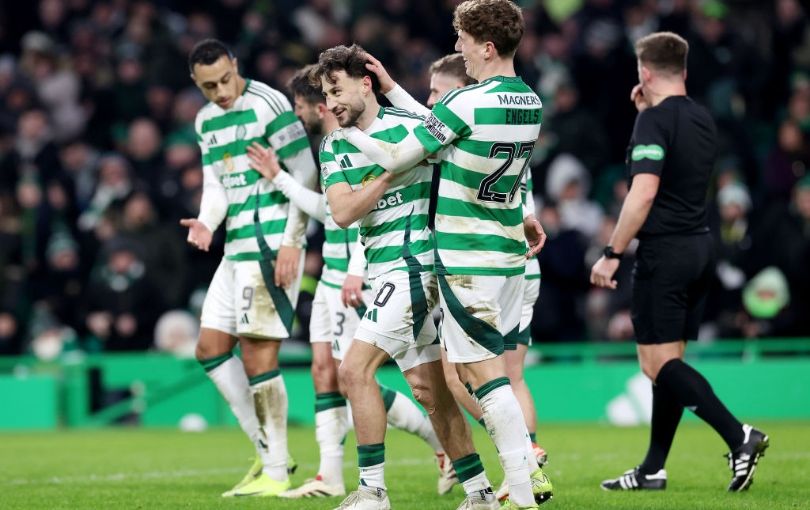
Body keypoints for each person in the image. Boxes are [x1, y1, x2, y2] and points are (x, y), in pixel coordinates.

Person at [343, 1, 550, 508]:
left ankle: (522, 492)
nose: (457, 48)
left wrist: (345, 129)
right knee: (481, 375)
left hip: (467, 257)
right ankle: (513, 487)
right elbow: (451, 137)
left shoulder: (467, 103)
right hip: (507, 254)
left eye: (462, 40)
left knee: (484, 379)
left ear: (487, 46)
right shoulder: (530, 102)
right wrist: (392, 89)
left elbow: (400, 152)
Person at [247, 65, 456, 499]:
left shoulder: (370, 135)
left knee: (360, 373)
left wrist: (279, 180)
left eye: (304, 105)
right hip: (335, 273)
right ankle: (331, 474)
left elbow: (337, 211)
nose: (299, 114)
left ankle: (450, 454)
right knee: (326, 371)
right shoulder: (329, 146)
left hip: (364, 273)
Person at [313, 44, 498, 510]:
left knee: (353, 371)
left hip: (417, 264)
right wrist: (391, 168)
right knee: (430, 393)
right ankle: (479, 493)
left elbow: (469, 165)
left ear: (365, 83)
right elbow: (341, 212)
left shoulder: (413, 127)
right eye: (325, 93)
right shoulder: (334, 144)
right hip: (382, 270)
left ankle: (373, 491)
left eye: (336, 90)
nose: (331, 102)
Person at [590, 31, 769, 493]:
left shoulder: (653, 123)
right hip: (699, 248)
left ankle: (739, 435)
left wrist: (611, 253)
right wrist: (646, 115)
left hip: (665, 252)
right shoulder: (702, 117)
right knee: (670, 362)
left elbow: (644, 192)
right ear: (683, 71)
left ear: (644, 73)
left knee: (655, 365)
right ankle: (652, 468)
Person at [182, 39, 316, 497]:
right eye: (208, 86)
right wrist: (206, 222)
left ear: (235, 66)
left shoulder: (269, 104)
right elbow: (215, 184)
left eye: (225, 79)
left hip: (271, 242)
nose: (220, 91)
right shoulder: (205, 121)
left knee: (259, 354)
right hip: (235, 246)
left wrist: (293, 242)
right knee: (210, 349)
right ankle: (268, 452)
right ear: (196, 85)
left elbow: (305, 172)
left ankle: (276, 471)